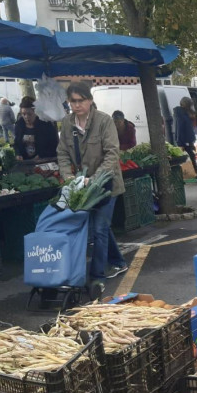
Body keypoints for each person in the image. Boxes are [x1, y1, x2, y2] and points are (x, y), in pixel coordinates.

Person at [57, 82, 128, 281]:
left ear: (90, 100)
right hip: (82, 187)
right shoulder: (67, 123)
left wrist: (94, 179)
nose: (77, 105)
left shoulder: (104, 121)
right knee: (100, 227)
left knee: (99, 229)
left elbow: (112, 154)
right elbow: (62, 153)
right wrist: (68, 176)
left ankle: (97, 277)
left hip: (106, 185)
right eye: (73, 101)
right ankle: (119, 262)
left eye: (81, 100)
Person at [173, 97, 197, 185]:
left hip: (187, 141)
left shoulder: (184, 114)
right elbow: (180, 129)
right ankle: (184, 178)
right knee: (183, 160)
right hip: (183, 141)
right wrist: (181, 142)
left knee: (190, 158)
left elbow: (188, 129)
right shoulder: (181, 115)